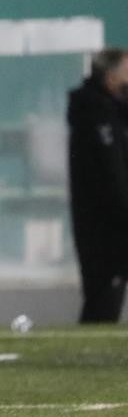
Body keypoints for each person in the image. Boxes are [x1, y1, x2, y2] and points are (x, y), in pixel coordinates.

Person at [67, 48, 128, 323]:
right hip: (103, 221)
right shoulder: (96, 114)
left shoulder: (113, 112)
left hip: (110, 218)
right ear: (110, 76)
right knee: (103, 293)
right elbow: (111, 173)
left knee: (107, 294)